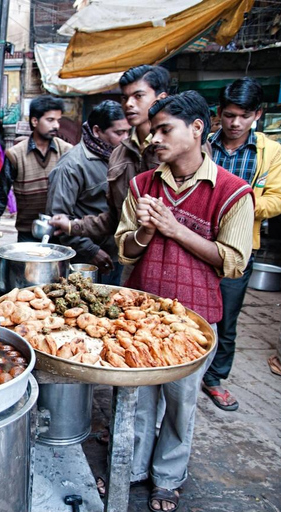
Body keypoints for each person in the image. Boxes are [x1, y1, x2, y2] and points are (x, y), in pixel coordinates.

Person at [115, 91, 254, 512]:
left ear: (197, 128)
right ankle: (131, 469)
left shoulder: (232, 192)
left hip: (193, 322)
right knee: (138, 401)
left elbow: (233, 262)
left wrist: (176, 229)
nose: (154, 138)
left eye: (164, 129)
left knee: (180, 404)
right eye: (152, 130)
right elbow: (125, 251)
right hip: (139, 317)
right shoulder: (142, 185)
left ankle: (168, 477)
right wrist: (145, 231)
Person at [202, 77, 281, 411]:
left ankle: (214, 378)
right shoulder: (204, 144)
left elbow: (276, 200)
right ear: (219, 113)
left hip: (238, 249)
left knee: (227, 317)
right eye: (230, 115)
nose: (236, 123)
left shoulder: (270, 152)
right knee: (191, 310)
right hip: (198, 243)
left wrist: (237, 203)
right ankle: (184, 367)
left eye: (244, 116)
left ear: (257, 115)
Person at [50, 66, 170, 268]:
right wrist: (74, 228)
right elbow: (116, 217)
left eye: (138, 96)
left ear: (160, 98)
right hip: (124, 256)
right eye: (125, 97)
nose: (129, 104)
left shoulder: (175, 147)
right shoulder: (118, 154)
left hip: (166, 258)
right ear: (98, 131)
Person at [46, 100, 130, 284]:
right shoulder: (71, 165)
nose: (125, 138)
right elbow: (58, 219)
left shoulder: (122, 158)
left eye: (128, 132)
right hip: (86, 261)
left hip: (118, 253)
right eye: (119, 133)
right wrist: (91, 251)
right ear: (97, 131)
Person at [0, 95, 73, 241]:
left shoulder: (66, 151)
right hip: (27, 232)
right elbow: (1, 193)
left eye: (58, 120)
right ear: (35, 121)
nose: (56, 126)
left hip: (61, 232)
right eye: (50, 120)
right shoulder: (16, 154)